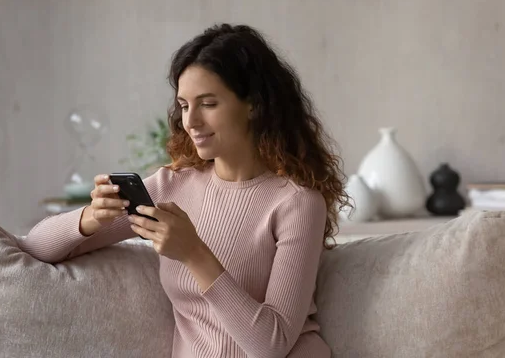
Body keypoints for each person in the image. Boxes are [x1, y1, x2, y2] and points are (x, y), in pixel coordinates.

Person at [20, 23, 349, 357]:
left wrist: (193, 253)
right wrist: (91, 218)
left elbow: (271, 344)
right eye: (184, 104)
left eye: (208, 103)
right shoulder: (173, 187)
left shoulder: (297, 203)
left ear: (254, 105)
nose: (190, 121)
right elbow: (34, 246)